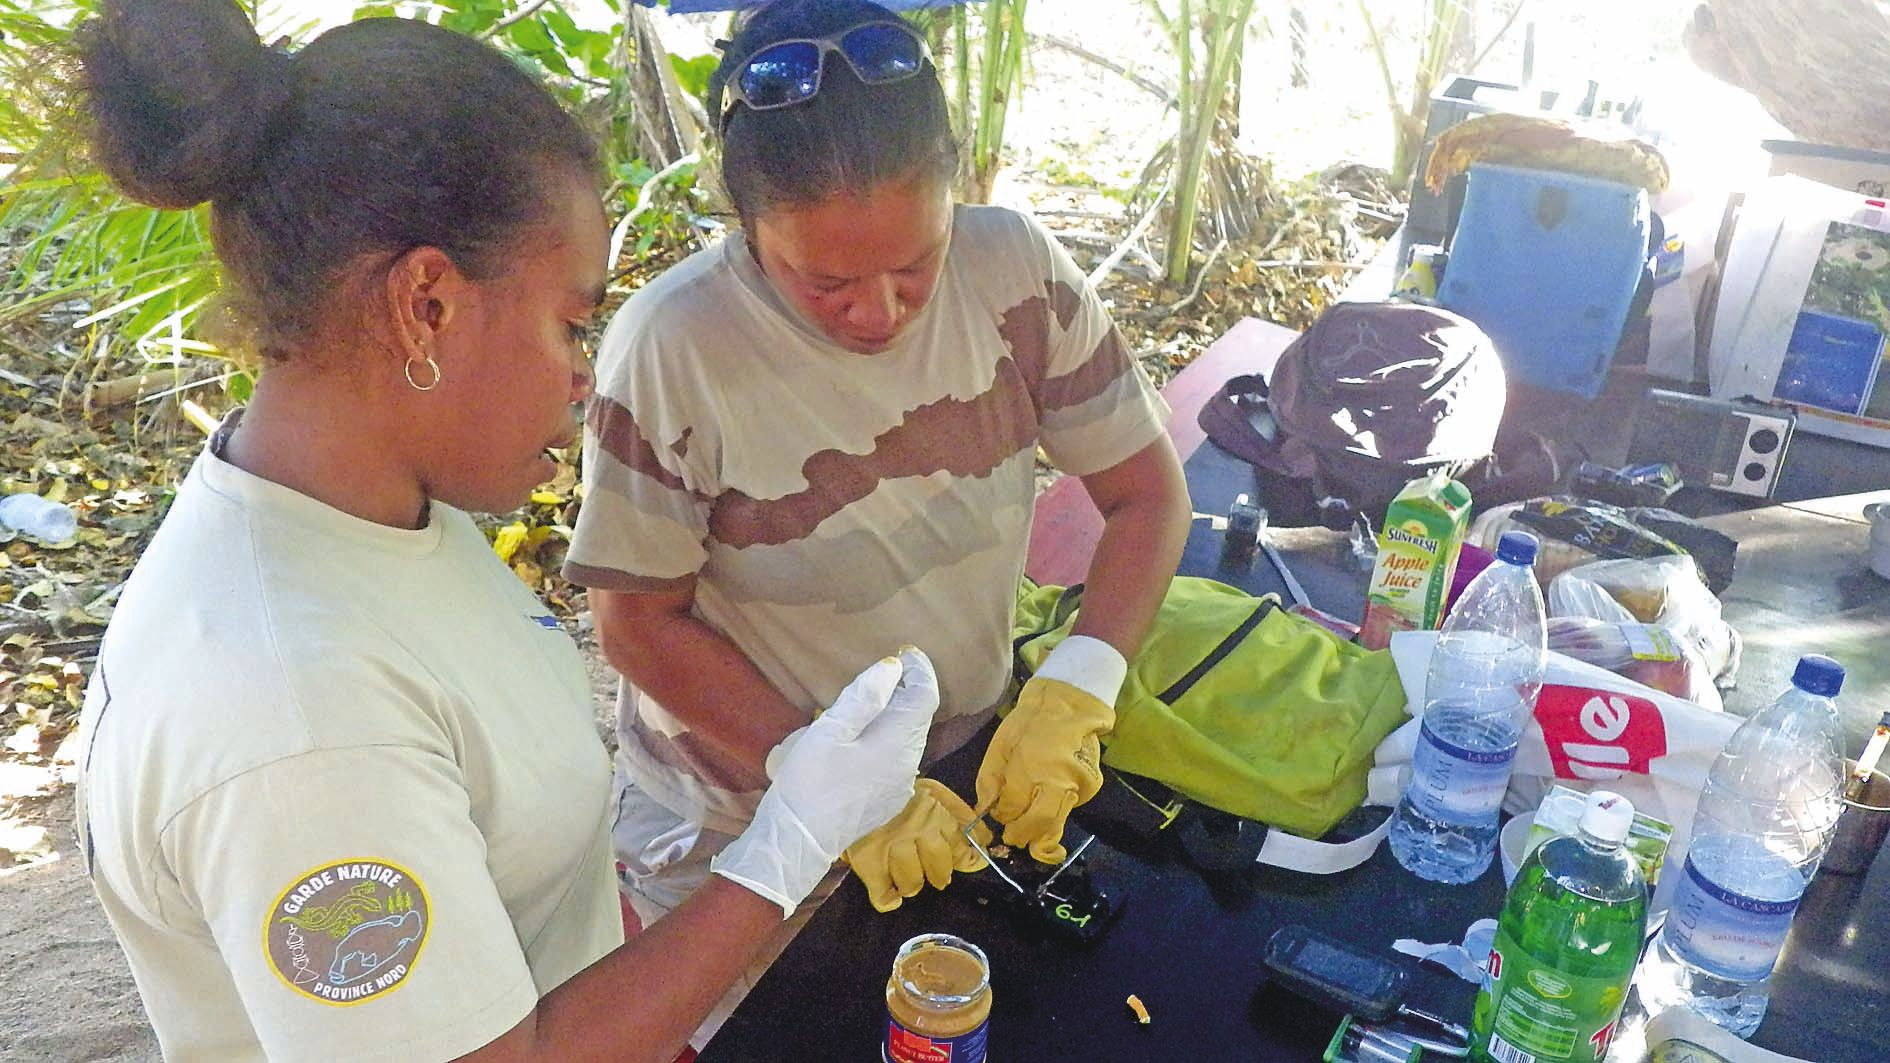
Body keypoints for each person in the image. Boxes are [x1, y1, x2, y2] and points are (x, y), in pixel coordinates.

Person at [68, 4, 941, 1061]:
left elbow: (518, 880)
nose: (582, 374)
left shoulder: (373, 515)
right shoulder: (301, 724)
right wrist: (789, 842)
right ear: (427, 305)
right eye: (570, 323)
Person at [562, 0, 1191, 1042]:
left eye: (916, 265)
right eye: (826, 282)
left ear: (957, 191)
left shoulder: (1016, 273)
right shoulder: (674, 348)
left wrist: (1080, 682)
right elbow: (636, 624)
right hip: (744, 816)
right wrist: (824, 780)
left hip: (960, 774)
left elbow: (1146, 494)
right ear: (743, 218)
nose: (880, 312)